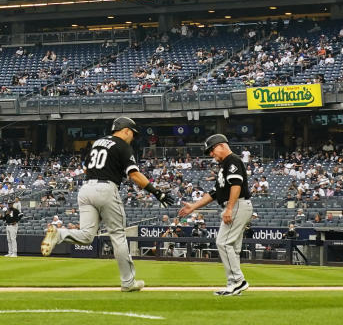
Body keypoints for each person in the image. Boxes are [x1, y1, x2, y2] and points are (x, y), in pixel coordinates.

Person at [39, 117, 175, 292]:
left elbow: (87, 169)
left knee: (87, 235)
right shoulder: (123, 146)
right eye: (132, 133)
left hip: (86, 188)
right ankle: (128, 282)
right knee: (118, 236)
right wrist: (157, 192)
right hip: (106, 189)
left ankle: (60, 233)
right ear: (126, 130)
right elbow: (134, 175)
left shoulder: (97, 143)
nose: (133, 137)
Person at [177, 133, 253, 296]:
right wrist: (193, 207)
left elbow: (236, 185)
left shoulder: (232, 160)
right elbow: (214, 193)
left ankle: (239, 281)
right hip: (237, 205)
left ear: (221, 145)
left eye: (212, 150)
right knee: (232, 247)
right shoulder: (225, 165)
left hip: (237, 204)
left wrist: (230, 209)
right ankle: (233, 284)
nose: (211, 154)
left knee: (223, 243)